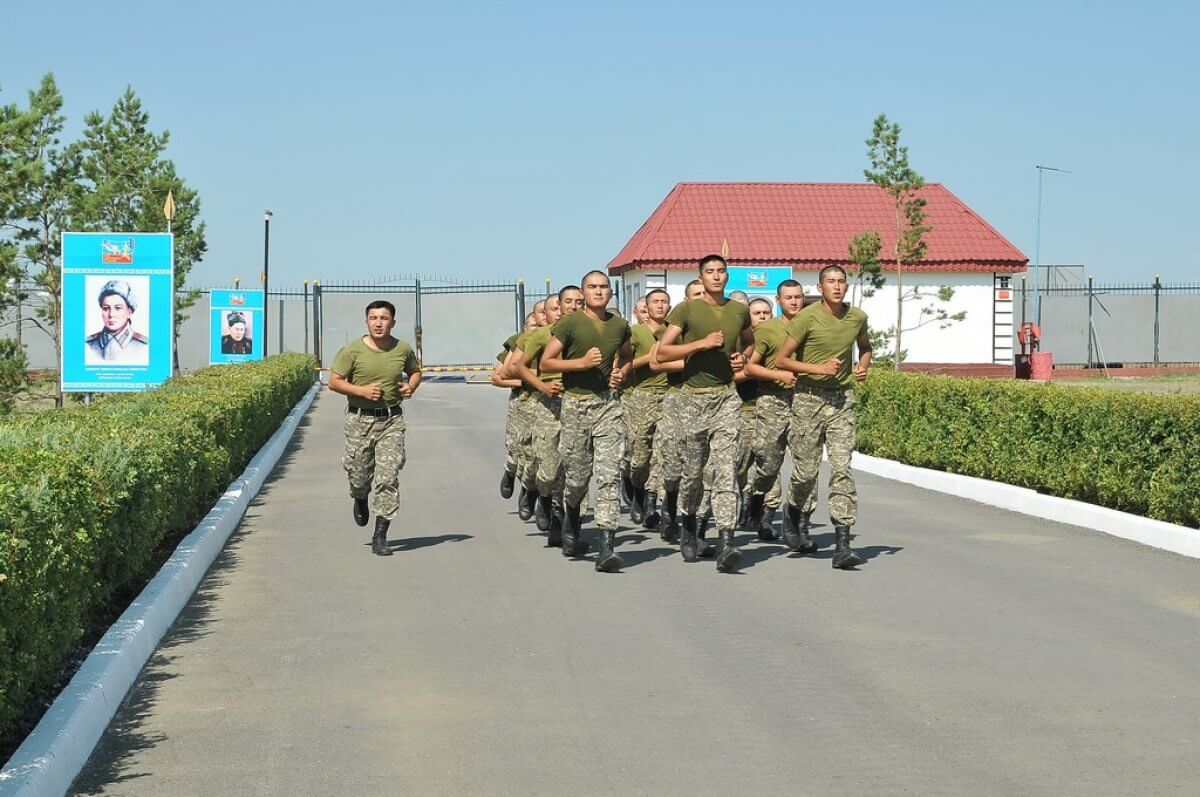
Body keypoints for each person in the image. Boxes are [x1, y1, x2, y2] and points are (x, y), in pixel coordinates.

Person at [657, 255, 754, 572]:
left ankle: (727, 542)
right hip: (692, 399)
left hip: (726, 397)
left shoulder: (739, 311)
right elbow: (662, 352)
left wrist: (741, 357)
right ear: (701, 277)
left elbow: (750, 345)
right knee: (694, 473)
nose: (716, 276)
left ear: (727, 277)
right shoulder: (686, 310)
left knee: (726, 469)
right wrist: (700, 344)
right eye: (710, 272)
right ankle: (687, 524)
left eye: (721, 271)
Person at [775, 265, 872, 569]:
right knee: (806, 472)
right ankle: (794, 517)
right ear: (821, 287)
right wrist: (819, 369)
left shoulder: (856, 317)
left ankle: (842, 543)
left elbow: (866, 348)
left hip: (841, 399)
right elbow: (781, 359)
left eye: (842, 281)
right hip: (807, 398)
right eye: (831, 281)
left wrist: (863, 366)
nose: (837, 286)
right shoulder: (807, 317)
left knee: (842, 468)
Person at [541, 270, 632, 572]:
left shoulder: (619, 325)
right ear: (584, 293)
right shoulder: (570, 323)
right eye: (592, 287)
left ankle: (607, 545)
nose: (599, 291)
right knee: (577, 477)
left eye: (604, 287)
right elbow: (547, 362)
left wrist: (621, 373)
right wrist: (579, 363)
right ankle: (571, 519)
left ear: (610, 292)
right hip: (576, 404)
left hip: (608, 405)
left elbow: (627, 355)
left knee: (608, 475)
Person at [328, 300, 422, 556]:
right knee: (359, 475)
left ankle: (381, 535)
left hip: (391, 420)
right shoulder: (352, 351)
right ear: (366, 321)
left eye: (383, 318)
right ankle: (359, 496)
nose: (378, 323)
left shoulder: (402, 349)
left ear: (393, 322)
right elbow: (334, 382)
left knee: (388, 477)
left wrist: (410, 387)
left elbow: (415, 371)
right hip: (359, 421)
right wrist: (360, 390)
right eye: (373, 318)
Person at [511, 290, 577, 544]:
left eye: (577, 303)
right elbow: (519, 367)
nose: (568, 308)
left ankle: (563, 524)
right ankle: (534, 492)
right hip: (548, 403)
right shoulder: (541, 335)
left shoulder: (583, 332)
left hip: (577, 402)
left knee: (573, 466)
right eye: (564, 304)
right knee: (548, 469)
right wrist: (542, 387)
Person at [742, 279, 806, 543]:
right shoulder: (767, 330)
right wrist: (776, 373)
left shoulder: (814, 325)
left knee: (806, 467)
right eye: (788, 297)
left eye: (798, 296)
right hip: (771, 400)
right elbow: (750, 368)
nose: (794, 301)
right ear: (778, 301)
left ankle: (797, 526)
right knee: (767, 463)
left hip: (806, 399)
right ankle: (757, 497)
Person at [651, 278, 703, 544]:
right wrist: (692, 361)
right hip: (677, 399)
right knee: (672, 463)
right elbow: (656, 362)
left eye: (704, 293)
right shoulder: (676, 327)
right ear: (686, 298)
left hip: (708, 400)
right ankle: (669, 506)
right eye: (696, 294)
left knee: (703, 465)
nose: (701, 297)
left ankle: (695, 525)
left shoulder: (719, 325)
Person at [622, 288, 670, 529]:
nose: (660, 306)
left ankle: (651, 503)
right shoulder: (636, 333)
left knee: (662, 452)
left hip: (669, 396)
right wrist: (652, 357)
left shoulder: (674, 331)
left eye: (664, 302)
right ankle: (636, 487)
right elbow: (624, 366)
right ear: (646, 308)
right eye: (655, 302)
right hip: (641, 397)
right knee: (639, 453)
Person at [733, 298, 776, 536]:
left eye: (766, 312)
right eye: (757, 313)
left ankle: (765, 519)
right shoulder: (742, 343)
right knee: (740, 465)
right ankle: (745, 500)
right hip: (744, 409)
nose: (762, 317)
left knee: (770, 464)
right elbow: (731, 376)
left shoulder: (780, 339)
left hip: (771, 410)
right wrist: (754, 371)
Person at [85, 279, 148, 364]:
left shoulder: (144, 346)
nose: (111, 314)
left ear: (129, 312)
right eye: (106, 308)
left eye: (118, 308)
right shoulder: (88, 344)